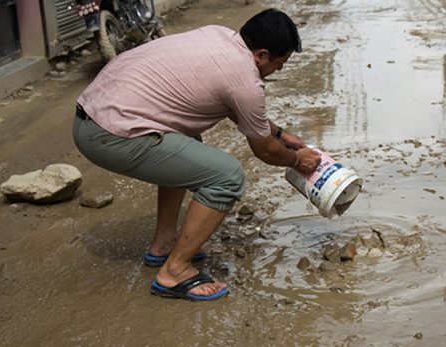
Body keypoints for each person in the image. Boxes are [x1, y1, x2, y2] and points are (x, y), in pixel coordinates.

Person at [72, 9, 321, 301]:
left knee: (188, 141)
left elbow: (234, 106)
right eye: (279, 64)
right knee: (227, 177)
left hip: (89, 115)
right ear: (261, 55)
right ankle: (174, 272)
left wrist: (280, 134)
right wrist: (296, 160)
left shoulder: (218, 34)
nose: (278, 71)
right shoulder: (244, 79)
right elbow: (264, 150)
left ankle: (163, 245)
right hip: (109, 134)